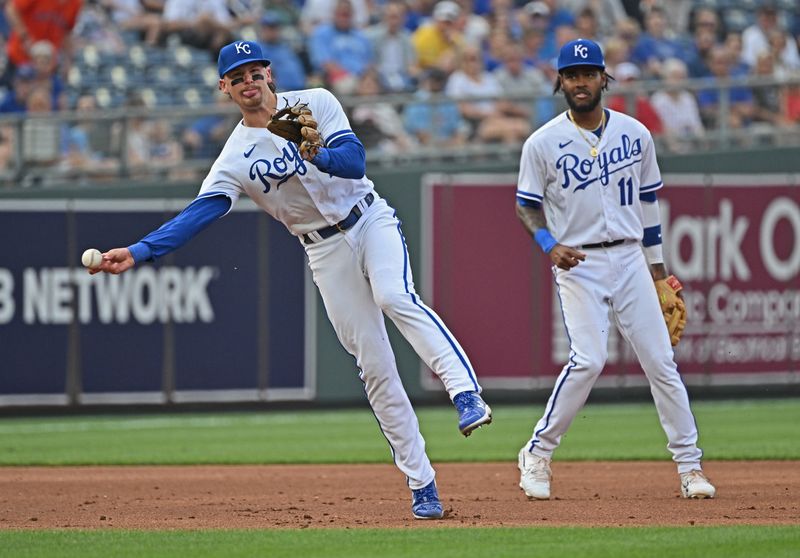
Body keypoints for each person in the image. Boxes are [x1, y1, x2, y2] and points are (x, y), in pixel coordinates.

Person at [87, 40, 492, 520]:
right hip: (323, 249)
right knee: (375, 366)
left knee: (393, 294)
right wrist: (140, 250)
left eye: (254, 72)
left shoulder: (316, 102)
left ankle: (464, 392)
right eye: (237, 77)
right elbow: (201, 212)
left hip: (368, 219)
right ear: (224, 88)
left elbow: (355, 163)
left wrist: (314, 149)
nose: (248, 82)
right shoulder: (235, 156)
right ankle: (422, 483)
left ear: (269, 74)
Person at [514, 38, 716, 501]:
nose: (580, 81)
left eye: (588, 73)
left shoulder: (635, 134)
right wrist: (549, 244)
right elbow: (525, 206)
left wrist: (659, 273)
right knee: (588, 360)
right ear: (559, 81)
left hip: (629, 258)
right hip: (579, 260)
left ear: (605, 78)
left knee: (662, 363)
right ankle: (537, 453)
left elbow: (648, 207)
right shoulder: (542, 143)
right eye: (571, 74)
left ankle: (690, 467)